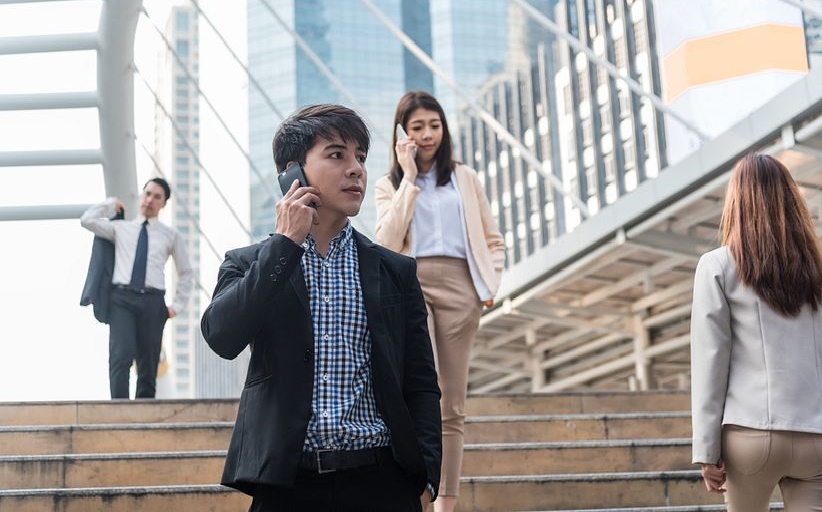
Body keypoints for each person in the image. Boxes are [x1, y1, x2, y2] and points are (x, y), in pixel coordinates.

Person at [201, 104, 442, 512]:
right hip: (287, 485)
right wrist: (284, 245)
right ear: (293, 172)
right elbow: (222, 336)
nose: (356, 170)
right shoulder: (249, 263)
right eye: (337, 154)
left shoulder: (394, 271)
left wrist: (426, 478)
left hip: (383, 481)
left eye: (361, 158)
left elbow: (420, 383)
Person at [374, 90, 505, 512]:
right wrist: (409, 179)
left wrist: (488, 286)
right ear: (403, 133)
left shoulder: (465, 178)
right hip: (410, 285)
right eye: (417, 127)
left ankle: (446, 501)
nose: (428, 134)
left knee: (452, 401)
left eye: (434, 124)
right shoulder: (389, 185)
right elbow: (387, 242)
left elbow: (492, 238)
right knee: (419, 393)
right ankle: (418, 494)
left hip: (460, 288)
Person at [690, 153, 822, 511]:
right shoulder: (816, 270)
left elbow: (710, 361)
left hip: (750, 433)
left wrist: (706, 449)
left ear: (737, 202)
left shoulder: (717, 266)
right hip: (815, 435)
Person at [80, 177, 192, 399]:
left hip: (153, 302)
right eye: (147, 193)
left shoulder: (170, 235)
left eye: (157, 197)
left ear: (163, 204)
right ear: (142, 195)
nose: (150, 200)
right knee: (120, 356)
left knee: (148, 364)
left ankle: (144, 417)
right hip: (121, 299)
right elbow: (87, 220)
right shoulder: (121, 228)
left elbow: (186, 273)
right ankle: (118, 412)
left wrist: (176, 306)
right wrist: (111, 204)